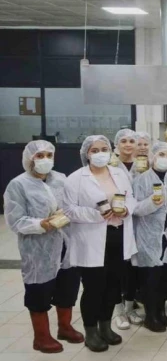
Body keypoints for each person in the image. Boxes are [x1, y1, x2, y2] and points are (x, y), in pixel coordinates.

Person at [3, 141, 83, 353]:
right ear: (29, 159)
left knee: (67, 288)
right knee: (39, 291)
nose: (45, 159)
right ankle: (41, 337)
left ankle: (65, 327)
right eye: (40, 156)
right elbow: (15, 220)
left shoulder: (61, 179)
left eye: (49, 155)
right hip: (38, 249)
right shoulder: (18, 185)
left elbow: (72, 205)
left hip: (66, 243)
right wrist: (41, 224)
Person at [63, 135, 137, 352]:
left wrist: (126, 209)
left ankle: (106, 326)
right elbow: (69, 210)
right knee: (94, 288)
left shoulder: (119, 174)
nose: (100, 154)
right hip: (92, 239)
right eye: (94, 150)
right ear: (86, 154)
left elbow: (130, 197)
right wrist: (97, 215)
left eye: (104, 149)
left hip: (118, 235)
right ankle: (91, 332)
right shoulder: (76, 178)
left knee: (113, 286)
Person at [131, 142, 167, 332]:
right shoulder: (141, 179)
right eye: (161, 154)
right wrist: (153, 203)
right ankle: (150, 315)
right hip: (150, 234)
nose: (165, 158)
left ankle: (161, 311)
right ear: (153, 157)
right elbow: (135, 208)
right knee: (151, 277)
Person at [109, 129, 144, 331]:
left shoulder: (143, 165)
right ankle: (118, 311)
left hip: (141, 223)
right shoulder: (110, 167)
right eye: (123, 141)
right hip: (118, 222)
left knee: (133, 269)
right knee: (117, 268)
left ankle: (131, 308)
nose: (128, 144)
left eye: (132, 141)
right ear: (117, 145)